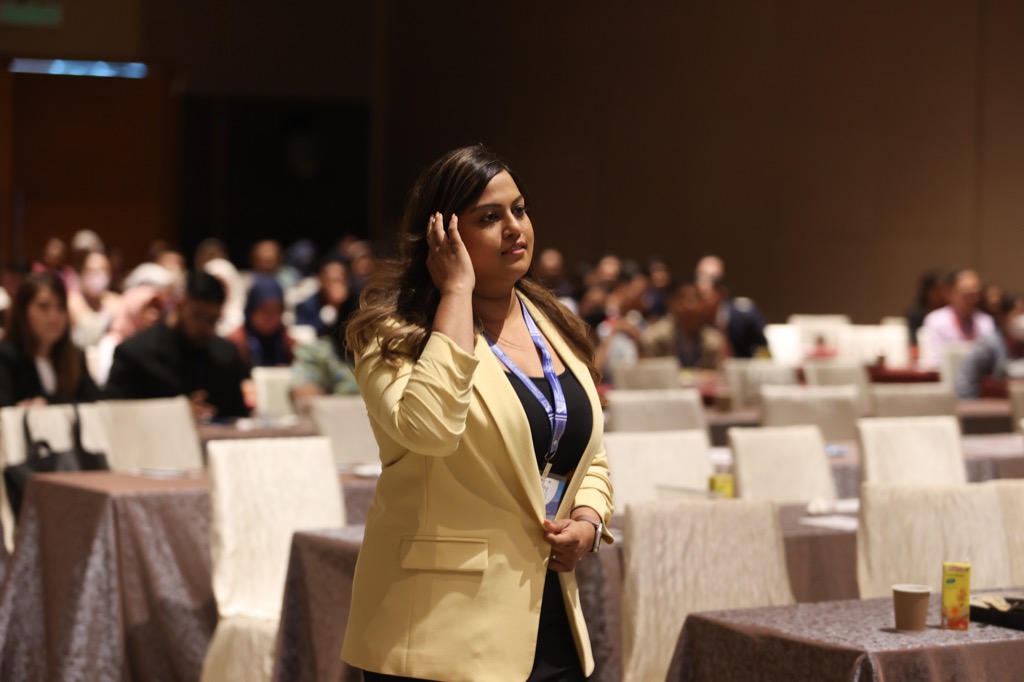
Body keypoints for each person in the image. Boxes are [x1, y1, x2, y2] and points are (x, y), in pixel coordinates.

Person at [341, 145, 613, 682]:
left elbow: (587, 453)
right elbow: (429, 430)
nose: (514, 227)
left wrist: (588, 519)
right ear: (441, 234)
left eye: (520, 210)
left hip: (546, 616)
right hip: (440, 629)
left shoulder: (552, 322)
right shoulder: (393, 333)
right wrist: (456, 291)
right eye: (490, 217)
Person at [105, 271, 249, 420]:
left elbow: (238, 418)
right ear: (179, 305)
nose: (207, 328)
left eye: (214, 320)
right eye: (200, 317)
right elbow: (115, 415)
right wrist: (175, 415)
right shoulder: (135, 353)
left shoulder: (226, 355)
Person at [0, 272, 101, 407]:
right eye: (43, 306)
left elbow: (95, 403)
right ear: (23, 312)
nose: (54, 317)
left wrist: (48, 402)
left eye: (60, 307)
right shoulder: (5, 357)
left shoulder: (75, 357)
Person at [641, 280, 728, 370]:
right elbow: (650, 374)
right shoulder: (654, 338)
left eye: (696, 299)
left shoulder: (714, 341)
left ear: (704, 305)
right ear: (670, 303)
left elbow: (718, 375)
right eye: (682, 298)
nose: (690, 306)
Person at [919, 269, 994, 369]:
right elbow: (934, 361)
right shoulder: (935, 321)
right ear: (950, 293)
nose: (972, 300)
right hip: (946, 375)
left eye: (975, 294)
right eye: (966, 295)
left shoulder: (986, 322)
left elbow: (991, 360)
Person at [955, 294, 1024, 398]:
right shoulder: (988, 343)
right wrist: (970, 405)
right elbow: (966, 380)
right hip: (987, 402)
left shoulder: (1020, 342)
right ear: (1003, 317)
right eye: (1019, 313)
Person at [227, 274, 295, 367]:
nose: (269, 318)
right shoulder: (236, 342)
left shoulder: (288, 342)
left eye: (275, 311)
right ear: (251, 310)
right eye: (264, 311)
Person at [68, 251, 122, 348]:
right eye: (92, 271)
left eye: (102, 271)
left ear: (109, 275)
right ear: (82, 274)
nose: (97, 275)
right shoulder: (71, 302)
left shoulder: (117, 302)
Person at [704, 278, 768, 358]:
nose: (702, 301)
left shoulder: (745, 316)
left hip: (744, 363)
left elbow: (762, 346)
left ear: (721, 293)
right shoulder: (698, 320)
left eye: (705, 295)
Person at [295, 256, 353, 337]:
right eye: (334, 280)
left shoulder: (355, 302)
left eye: (341, 280)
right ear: (322, 281)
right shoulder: (306, 305)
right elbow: (308, 335)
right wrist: (332, 306)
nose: (338, 285)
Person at [905, 268, 949, 347]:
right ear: (927, 291)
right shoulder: (916, 314)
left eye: (945, 290)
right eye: (937, 290)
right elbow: (912, 341)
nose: (942, 294)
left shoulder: (950, 313)